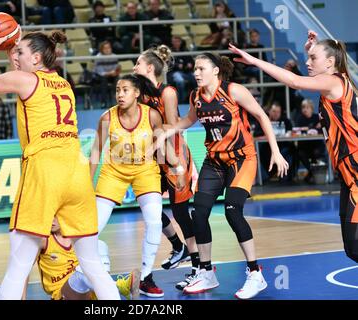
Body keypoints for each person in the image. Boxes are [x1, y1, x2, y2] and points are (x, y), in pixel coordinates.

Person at [0, 22, 120, 300]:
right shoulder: (63, 83)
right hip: (75, 172)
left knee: (18, 265)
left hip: (45, 169)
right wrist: (13, 47)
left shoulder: (26, 80)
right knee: (93, 265)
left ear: (36, 58)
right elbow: (18, 71)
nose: (15, 56)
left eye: (20, 52)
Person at [158, 52, 288, 299]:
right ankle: (206, 272)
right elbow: (187, 120)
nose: (196, 73)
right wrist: (166, 132)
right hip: (215, 161)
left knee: (232, 210)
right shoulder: (196, 96)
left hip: (242, 159)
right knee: (199, 212)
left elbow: (261, 115)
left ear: (216, 70)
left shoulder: (234, 91)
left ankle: (255, 274)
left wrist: (275, 151)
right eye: (194, 69)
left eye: (201, 68)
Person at [229, 30, 358, 265]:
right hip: (347, 177)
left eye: (313, 59)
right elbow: (311, 71)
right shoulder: (331, 80)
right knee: (352, 248)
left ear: (330, 63)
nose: (307, 62)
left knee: (355, 247)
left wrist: (254, 60)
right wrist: (313, 48)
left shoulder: (333, 81)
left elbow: (294, 81)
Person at [89, 74, 186, 297]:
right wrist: (87, 183)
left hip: (145, 170)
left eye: (125, 90)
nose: (120, 94)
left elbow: (162, 146)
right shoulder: (107, 117)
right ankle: (94, 273)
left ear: (136, 94)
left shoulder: (151, 115)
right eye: (117, 90)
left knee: (154, 221)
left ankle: (143, 277)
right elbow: (96, 151)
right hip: (114, 172)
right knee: (92, 228)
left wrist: (178, 168)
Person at [133, 45, 199, 290]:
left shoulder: (167, 92)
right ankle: (177, 245)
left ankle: (197, 268)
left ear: (150, 67)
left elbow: (172, 128)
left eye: (138, 64)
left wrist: (177, 166)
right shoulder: (140, 93)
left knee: (181, 213)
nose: (134, 67)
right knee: (148, 204)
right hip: (155, 157)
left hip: (174, 155)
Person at [23, 218, 140, 300]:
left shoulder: (78, 236)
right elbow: (24, 271)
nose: (52, 220)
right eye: (49, 215)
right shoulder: (43, 240)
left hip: (87, 291)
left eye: (56, 215)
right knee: (82, 272)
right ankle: (120, 286)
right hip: (63, 294)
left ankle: (102, 293)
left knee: (99, 245)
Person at [294, 99, 326, 184]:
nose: (305, 109)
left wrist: (312, 129)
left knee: (317, 152)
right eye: (303, 107)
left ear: (311, 108)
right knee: (300, 153)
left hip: (316, 145)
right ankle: (313, 173)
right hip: (304, 146)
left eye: (307, 107)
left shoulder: (317, 117)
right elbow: (297, 131)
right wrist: (313, 128)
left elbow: (323, 130)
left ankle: (311, 174)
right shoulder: (300, 118)